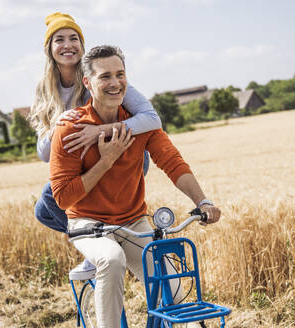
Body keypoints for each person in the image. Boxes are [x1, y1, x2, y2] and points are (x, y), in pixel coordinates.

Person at [50, 45, 221, 328]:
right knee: (111, 259)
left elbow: (173, 163)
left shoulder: (139, 125)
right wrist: (105, 162)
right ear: (87, 82)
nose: (115, 83)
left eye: (120, 74)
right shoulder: (71, 129)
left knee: (174, 288)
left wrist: (203, 201)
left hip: (132, 220)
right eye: (105, 76)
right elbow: (64, 198)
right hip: (87, 224)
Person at [30, 12, 160, 234]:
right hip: (84, 163)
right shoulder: (46, 89)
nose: (68, 44)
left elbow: (152, 119)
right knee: (44, 208)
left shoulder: (101, 75)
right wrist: (58, 127)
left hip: (122, 155)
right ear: (49, 49)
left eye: (74, 38)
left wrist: (99, 130)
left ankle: (101, 244)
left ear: (82, 45)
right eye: (59, 39)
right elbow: (44, 154)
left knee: (48, 199)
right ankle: (102, 240)